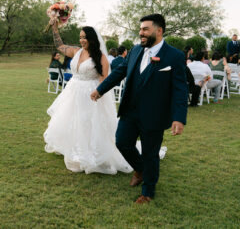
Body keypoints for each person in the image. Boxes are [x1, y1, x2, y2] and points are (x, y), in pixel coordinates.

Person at [91, 13, 188, 204]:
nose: (140, 32)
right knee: (122, 142)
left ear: (159, 31)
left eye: (145, 29)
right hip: (130, 110)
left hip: (155, 115)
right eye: (141, 29)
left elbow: (180, 90)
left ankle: (148, 192)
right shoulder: (135, 50)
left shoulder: (174, 56)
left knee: (151, 153)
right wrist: (100, 89)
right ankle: (141, 169)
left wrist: (179, 117)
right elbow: (120, 72)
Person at [44, 22, 132, 175]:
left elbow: (105, 78)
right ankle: (74, 149)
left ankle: (90, 153)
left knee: (88, 123)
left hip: (91, 94)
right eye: (80, 37)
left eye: (84, 37)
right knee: (73, 120)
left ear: (92, 38)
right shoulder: (76, 51)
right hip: (73, 92)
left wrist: (99, 92)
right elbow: (60, 46)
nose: (82, 40)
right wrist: (54, 28)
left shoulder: (101, 57)